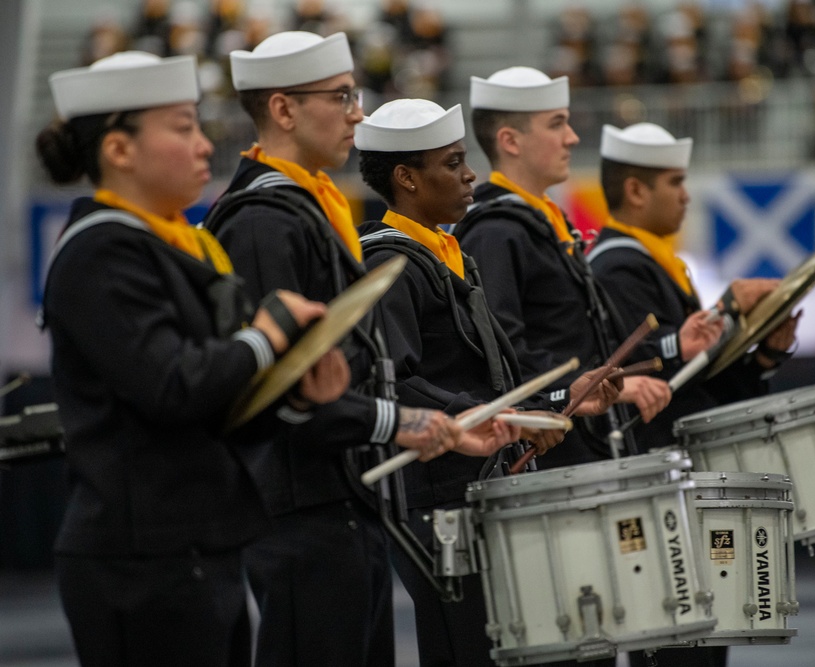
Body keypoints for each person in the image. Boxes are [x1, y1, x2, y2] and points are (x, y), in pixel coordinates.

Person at [205, 32, 513, 666]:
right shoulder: (264, 219)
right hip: (302, 508)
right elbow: (288, 392)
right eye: (342, 95)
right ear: (285, 110)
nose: (356, 112)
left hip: (347, 498)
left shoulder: (311, 209)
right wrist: (417, 421)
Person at [36, 51, 346, 667]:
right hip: (140, 556)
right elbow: (172, 386)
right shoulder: (99, 252)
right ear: (120, 150)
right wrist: (267, 336)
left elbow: (221, 411)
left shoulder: (176, 246)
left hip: (199, 544)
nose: (206, 146)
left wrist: (293, 395)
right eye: (182, 128)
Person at [355, 98, 622, 667]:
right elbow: (393, 384)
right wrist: (486, 418)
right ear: (406, 177)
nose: (469, 173)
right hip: (434, 504)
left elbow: (492, 381)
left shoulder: (447, 254)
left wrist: (557, 400)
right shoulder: (390, 266)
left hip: (472, 489)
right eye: (452, 163)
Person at [588, 122, 800, 667]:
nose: (686, 195)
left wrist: (765, 355)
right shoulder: (616, 265)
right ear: (636, 190)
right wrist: (726, 309)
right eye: (674, 182)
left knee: (704, 646)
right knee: (677, 649)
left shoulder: (658, 262)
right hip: (658, 490)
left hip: (688, 486)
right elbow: (635, 369)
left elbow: (697, 382)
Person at [454, 66, 672, 473]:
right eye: (557, 124)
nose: (572, 137)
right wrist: (565, 392)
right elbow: (503, 355)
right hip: (554, 459)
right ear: (510, 141)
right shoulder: (496, 233)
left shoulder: (542, 223)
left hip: (585, 446)